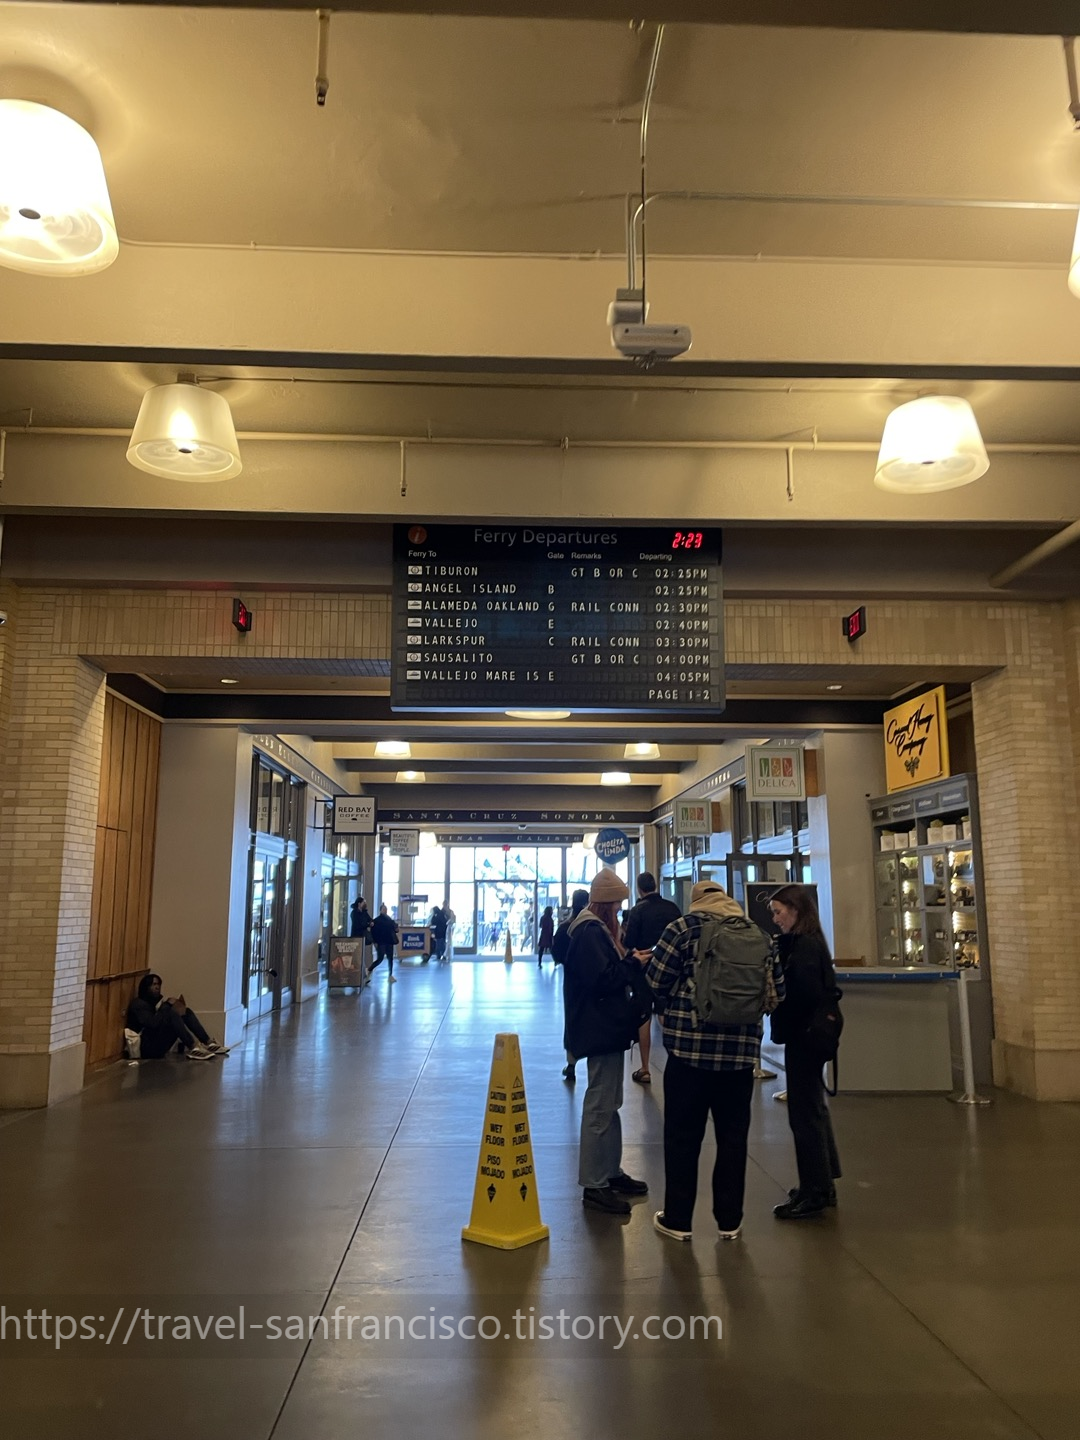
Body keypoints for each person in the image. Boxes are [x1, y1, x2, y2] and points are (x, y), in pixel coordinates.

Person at [645, 880, 781, 1242]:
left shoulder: (682, 929)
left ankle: (678, 1220)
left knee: (682, 1138)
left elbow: (655, 980)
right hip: (739, 1059)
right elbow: (776, 992)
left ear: (696, 902)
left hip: (689, 1054)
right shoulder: (759, 935)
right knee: (733, 1139)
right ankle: (729, 1221)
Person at [564, 869, 649, 1215]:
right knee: (600, 1105)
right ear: (604, 906)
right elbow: (603, 980)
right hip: (600, 1029)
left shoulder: (591, 931)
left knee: (610, 1102)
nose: (618, 914)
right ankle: (594, 1183)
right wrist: (631, 963)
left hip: (605, 1028)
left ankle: (609, 1172)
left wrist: (628, 961)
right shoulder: (589, 934)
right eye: (615, 908)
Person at [767, 884, 842, 1219]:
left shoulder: (804, 948)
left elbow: (802, 994)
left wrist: (778, 1006)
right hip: (812, 1034)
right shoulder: (810, 943)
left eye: (779, 912)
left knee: (804, 1113)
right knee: (813, 1108)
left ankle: (814, 1190)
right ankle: (821, 1182)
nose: (775, 919)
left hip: (805, 1037)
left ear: (795, 911)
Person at [622, 872, 681, 1086]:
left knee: (644, 1016)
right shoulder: (672, 908)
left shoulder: (638, 911)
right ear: (655, 885)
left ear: (639, 889)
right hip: (670, 970)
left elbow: (630, 942)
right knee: (665, 1014)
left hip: (644, 971)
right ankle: (676, 1061)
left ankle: (645, 1068)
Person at [126, 974, 229, 1061]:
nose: (157, 987)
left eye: (158, 985)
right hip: (147, 1048)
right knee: (172, 1013)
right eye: (154, 984)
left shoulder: (152, 1002)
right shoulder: (138, 1004)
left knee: (185, 1012)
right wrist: (166, 1006)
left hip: (156, 1043)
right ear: (146, 987)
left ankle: (208, 1042)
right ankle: (193, 1046)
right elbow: (153, 1023)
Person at [554, 889, 589, 1080]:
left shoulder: (566, 927)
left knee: (572, 1020)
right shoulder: (593, 926)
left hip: (572, 981)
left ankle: (571, 1064)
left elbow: (557, 954)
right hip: (593, 979)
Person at [371, 903, 399, 982]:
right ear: (380, 910)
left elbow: (394, 929)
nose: (385, 910)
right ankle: (370, 969)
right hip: (382, 942)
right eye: (384, 909)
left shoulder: (388, 919)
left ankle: (390, 975)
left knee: (390, 958)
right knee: (380, 958)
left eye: (386, 909)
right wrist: (375, 942)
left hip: (387, 941)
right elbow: (374, 932)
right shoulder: (378, 920)